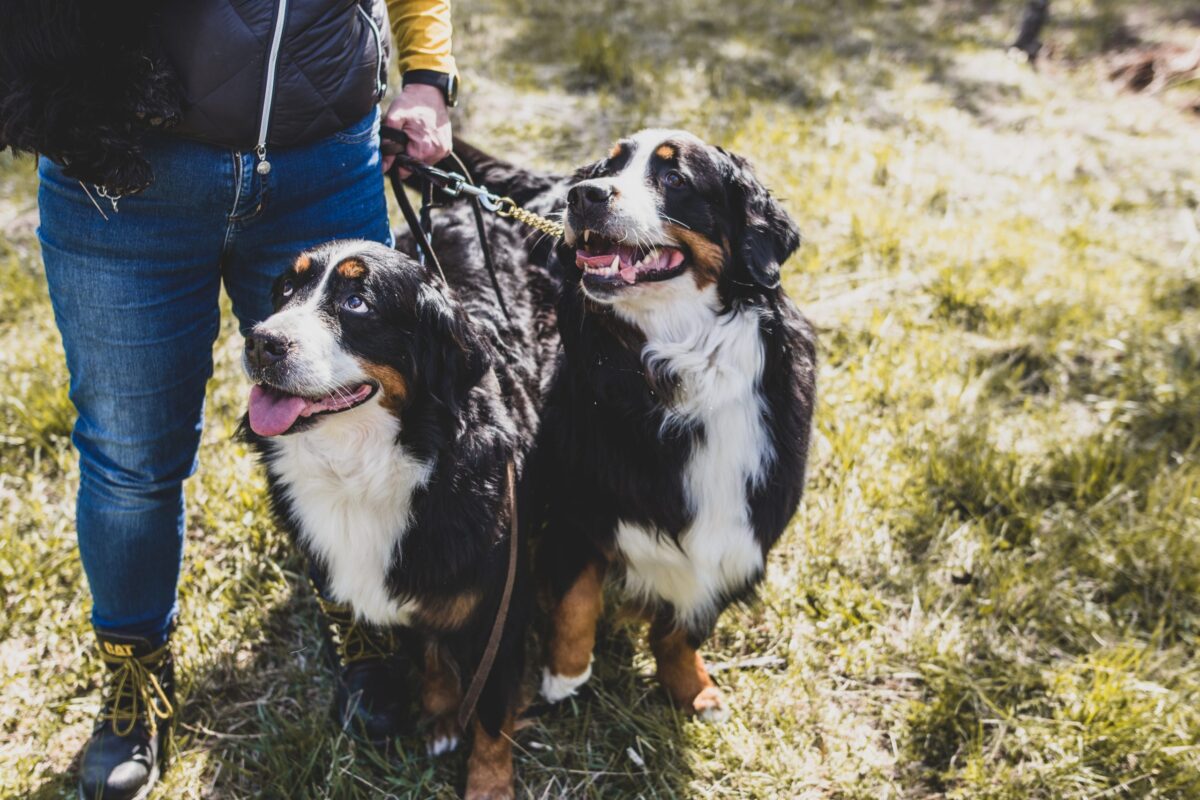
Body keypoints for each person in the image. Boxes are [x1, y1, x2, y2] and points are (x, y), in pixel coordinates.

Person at [32, 2, 460, 798]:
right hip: (120, 174)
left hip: (324, 163)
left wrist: (427, 77)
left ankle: (362, 630)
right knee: (130, 457)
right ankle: (136, 680)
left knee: (354, 420)